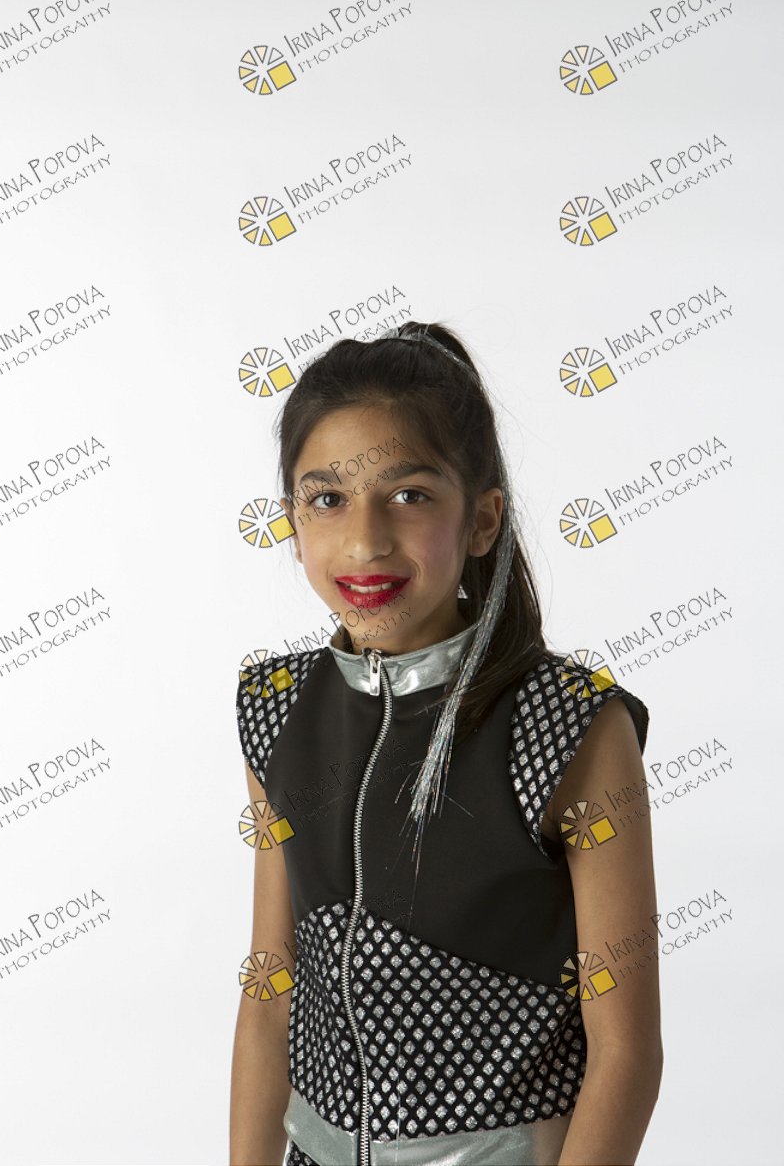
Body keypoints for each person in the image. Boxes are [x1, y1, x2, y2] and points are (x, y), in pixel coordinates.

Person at [230, 322, 662, 1166]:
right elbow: (269, 995)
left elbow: (626, 1050)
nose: (366, 539)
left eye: (410, 495)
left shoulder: (570, 725)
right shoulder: (275, 711)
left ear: (482, 519)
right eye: (328, 499)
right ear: (292, 520)